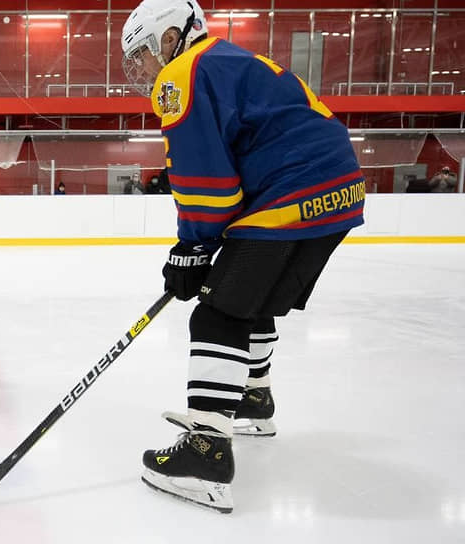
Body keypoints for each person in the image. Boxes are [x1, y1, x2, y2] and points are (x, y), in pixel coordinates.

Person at [121, 0, 365, 513]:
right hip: (337, 185)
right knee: (249, 299)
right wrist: (203, 245)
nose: (140, 70)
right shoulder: (223, 59)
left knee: (218, 313)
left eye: (142, 53)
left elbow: (206, 181)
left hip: (292, 186)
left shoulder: (182, 72)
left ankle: (206, 454)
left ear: (169, 39)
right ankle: (253, 398)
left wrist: (192, 248)